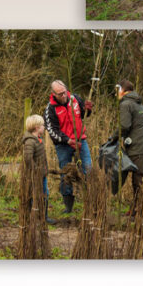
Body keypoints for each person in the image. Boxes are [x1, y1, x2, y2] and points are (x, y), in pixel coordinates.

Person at [44, 80, 94, 215]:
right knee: (66, 175)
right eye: (60, 94)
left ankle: (90, 203)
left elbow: (84, 114)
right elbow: (53, 132)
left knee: (88, 170)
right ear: (53, 94)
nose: (64, 96)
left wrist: (88, 109)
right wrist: (68, 141)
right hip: (63, 145)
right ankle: (68, 207)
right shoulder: (50, 109)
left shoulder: (75, 99)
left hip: (81, 140)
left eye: (64, 92)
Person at [117, 79, 143, 216]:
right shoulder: (137, 102)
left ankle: (140, 211)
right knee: (138, 178)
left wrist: (113, 137)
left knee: (138, 180)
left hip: (139, 146)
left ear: (121, 90)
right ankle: (136, 208)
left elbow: (124, 126)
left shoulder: (126, 104)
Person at [22, 114, 55, 225]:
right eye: (42, 125)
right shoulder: (30, 142)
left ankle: (43, 217)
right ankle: (34, 217)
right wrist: (36, 170)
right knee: (35, 195)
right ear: (37, 128)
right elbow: (28, 158)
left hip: (42, 174)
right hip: (35, 175)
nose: (44, 127)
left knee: (45, 194)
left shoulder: (39, 139)